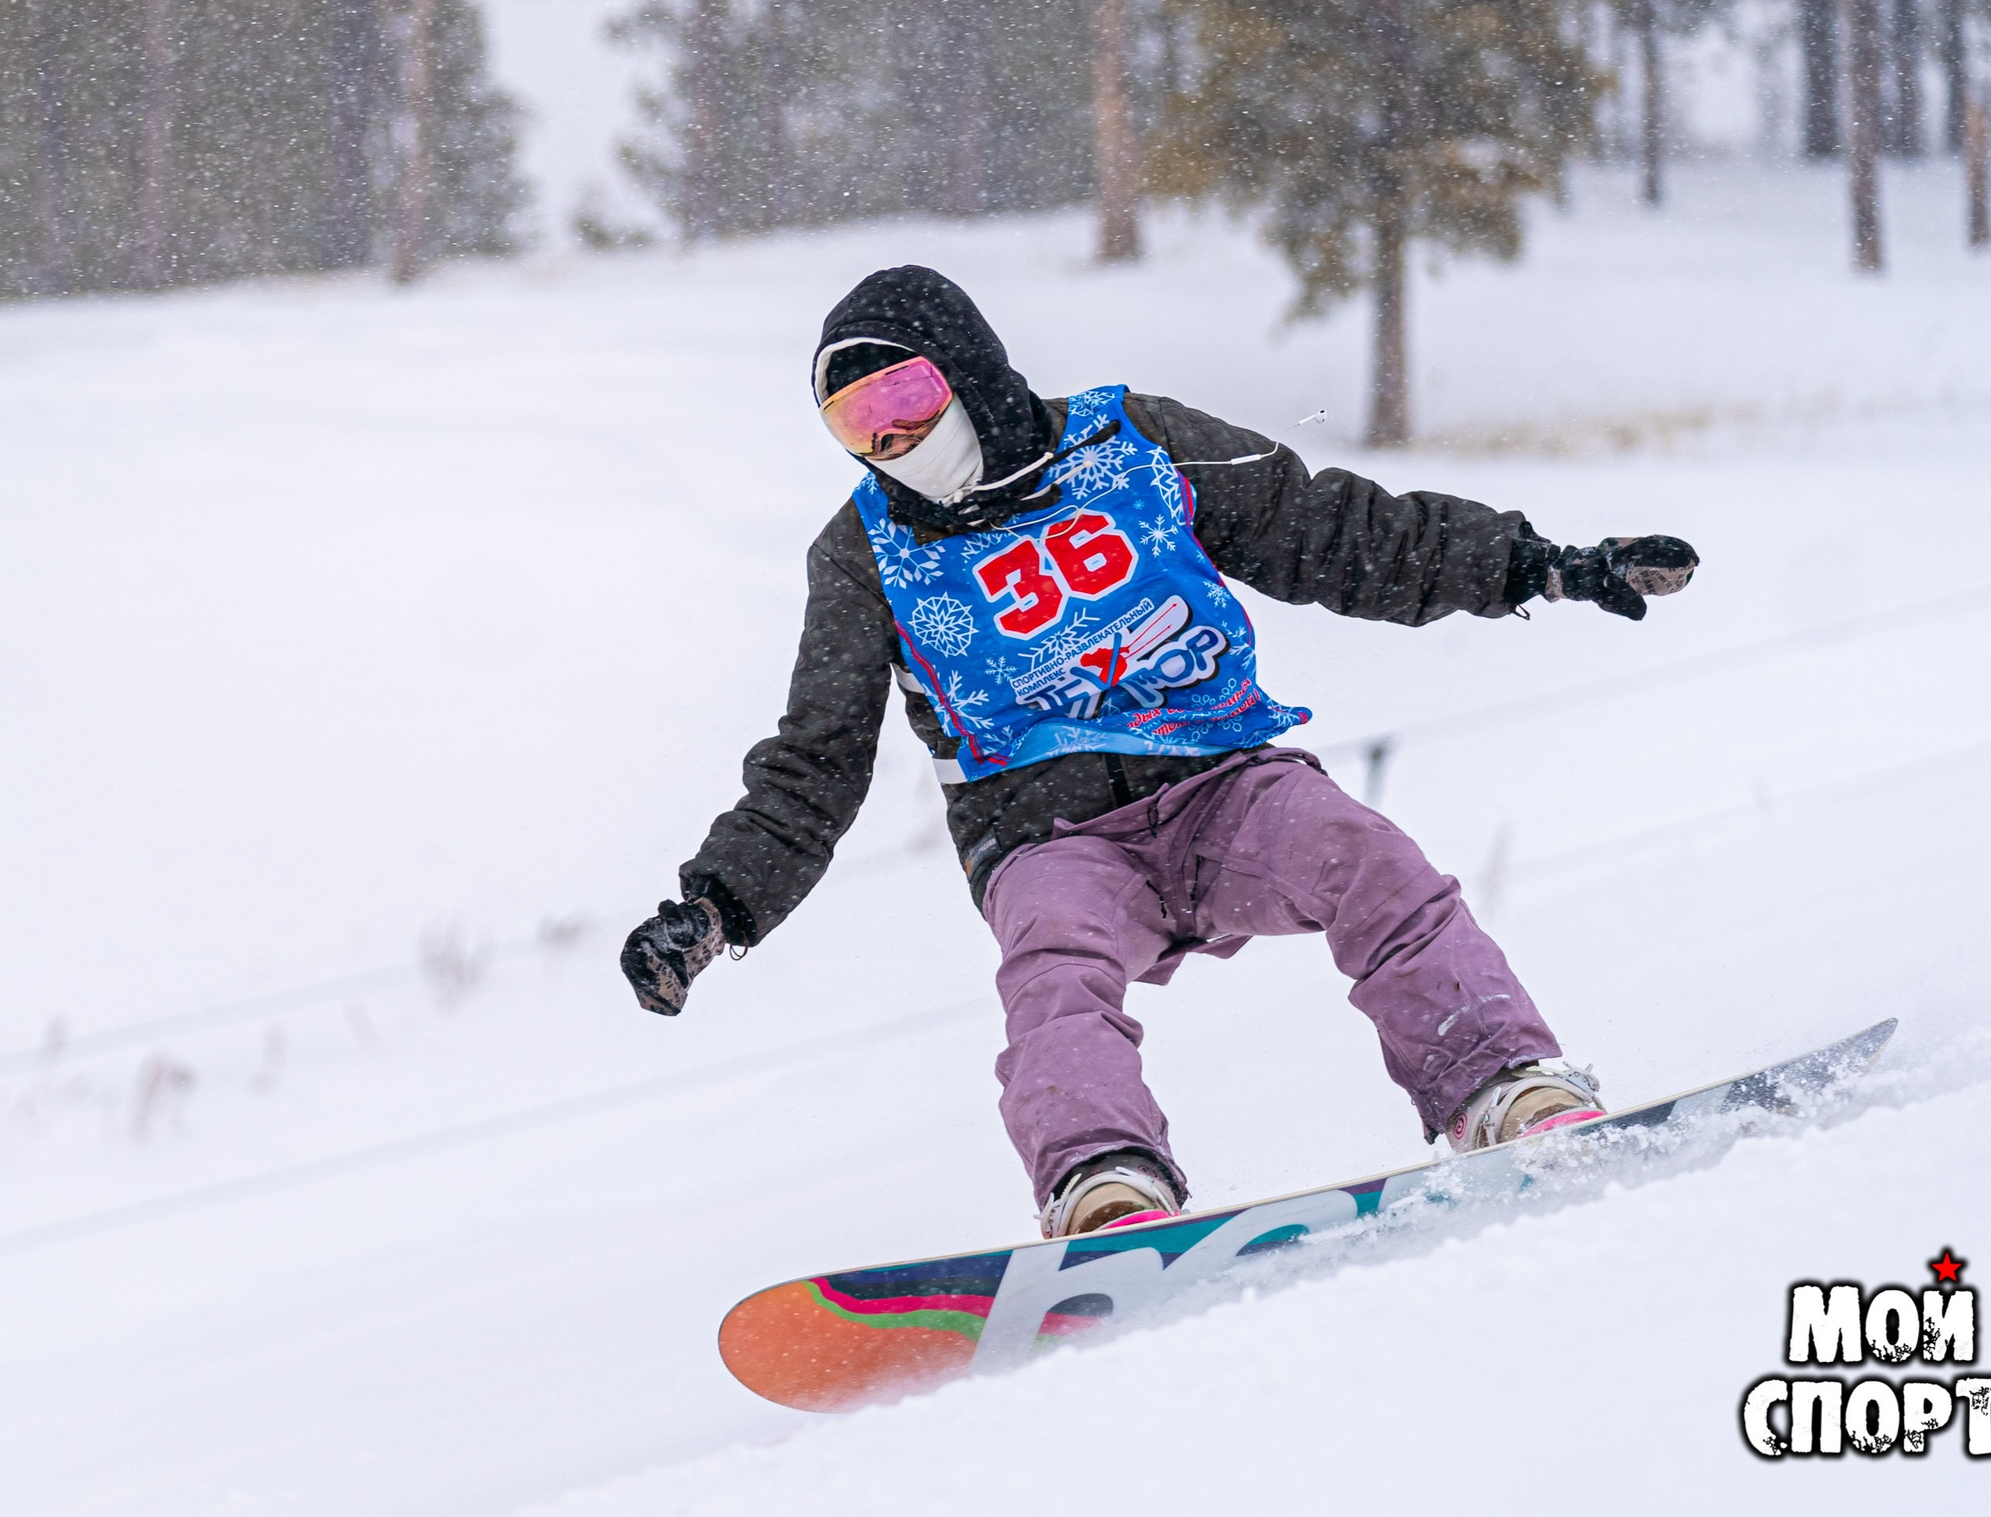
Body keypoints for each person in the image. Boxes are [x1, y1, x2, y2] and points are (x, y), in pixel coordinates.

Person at [621, 267, 1698, 1239]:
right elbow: (816, 761)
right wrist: (712, 907)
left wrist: (1538, 566)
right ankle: (1103, 1185)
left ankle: (1501, 1086)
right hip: (1043, 834)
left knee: (1366, 858)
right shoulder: (866, 552)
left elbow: (1335, 532)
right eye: (858, 425)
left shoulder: (1131, 445)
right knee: (1054, 966)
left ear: (968, 373)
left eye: (903, 400)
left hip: (1221, 785)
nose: (891, 442)